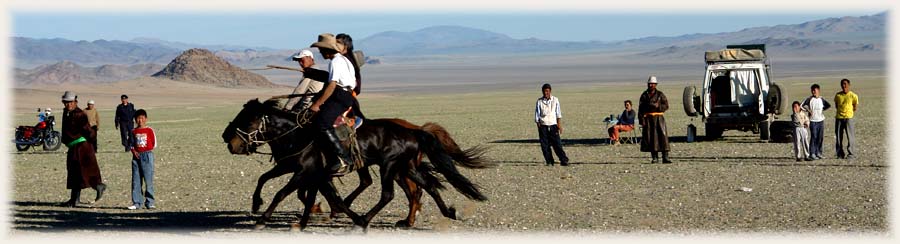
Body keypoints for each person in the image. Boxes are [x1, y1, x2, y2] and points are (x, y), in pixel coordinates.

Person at [309, 33, 358, 176]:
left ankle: (343, 158)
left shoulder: (335, 62)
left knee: (321, 123)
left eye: (321, 50)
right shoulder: (344, 60)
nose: (320, 52)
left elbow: (332, 85)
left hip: (340, 95)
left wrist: (317, 103)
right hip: (345, 94)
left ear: (326, 49)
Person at [59, 91, 106, 207]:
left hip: (82, 147)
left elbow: (89, 132)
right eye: (66, 102)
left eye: (71, 102)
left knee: (85, 171)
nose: (68, 105)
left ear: (75, 102)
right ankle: (74, 199)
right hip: (73, 147)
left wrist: (91, 141)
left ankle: (98, 186)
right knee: (74, 172)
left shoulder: (80, 114)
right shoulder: (66, 113)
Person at [638, 76, 672, 164]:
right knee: (651, 138)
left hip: (659, 118)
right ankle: (655, 157)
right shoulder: (644, 95)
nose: (651, 85)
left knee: (663, 137)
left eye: (652, 84)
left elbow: (666, 106)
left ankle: (665, 157)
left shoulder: (660, 94)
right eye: (649, 83)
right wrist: (642, 120)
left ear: (656, 84)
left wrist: (659, 107)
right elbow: (640, 109)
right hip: (648, 119)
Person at [534, 83, 569, 166]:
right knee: (545, 146)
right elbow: (537, 115)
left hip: (553, 125)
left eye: (547, 91)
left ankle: (563, 160)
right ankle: (549, 161)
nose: (546, 93)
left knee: (557, 144)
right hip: (543, 126)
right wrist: (539, 125)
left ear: (550, 91)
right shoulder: (539, 101)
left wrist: (559, 125)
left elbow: (558, 113)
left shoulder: (555, 100)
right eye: (544, 91)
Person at [128, 109, 157, 210]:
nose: (140, 120)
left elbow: (153, 143)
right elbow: (131, 144)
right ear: (135, 120)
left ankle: (150, 202)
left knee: (148, 180)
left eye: (142, 118)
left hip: (147, 156)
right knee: (136, 180)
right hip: (136, 157)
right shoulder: (133, 131)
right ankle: (137, 202)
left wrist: (146, 151)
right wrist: (134, 151)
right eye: (138, 119)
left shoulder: (149, 130)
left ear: (146, 119)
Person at [336, 33, 366, 126]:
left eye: (338, 43)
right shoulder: (346, 58)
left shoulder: (344, 60)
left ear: (345, 46)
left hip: (346, 95)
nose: (335, 46)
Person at [801, 84, 831, 160]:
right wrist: (808, 110)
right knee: (814, 137)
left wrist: (821, 110)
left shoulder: (821, 99)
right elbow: (801, 106)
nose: (813, 92)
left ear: (818, 90)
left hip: (821, 120)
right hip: (813, 121)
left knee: (820, 137)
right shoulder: (809, 99)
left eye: (815, 90)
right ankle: (812, 153)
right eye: (812, 90)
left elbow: (828, 105)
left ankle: (819, 153)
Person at [834, 78, 859, 159]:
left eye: (845, 84)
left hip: (848, 118)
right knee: (838, 137)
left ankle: (851, 154)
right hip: (839, 118)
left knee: (850, 136)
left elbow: (855, 107)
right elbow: (836, 105)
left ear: (849, 85)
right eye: (842, 84)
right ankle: (839, 154)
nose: (844, 86)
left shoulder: (853, 95)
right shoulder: (838, 95)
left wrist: (849, 113)